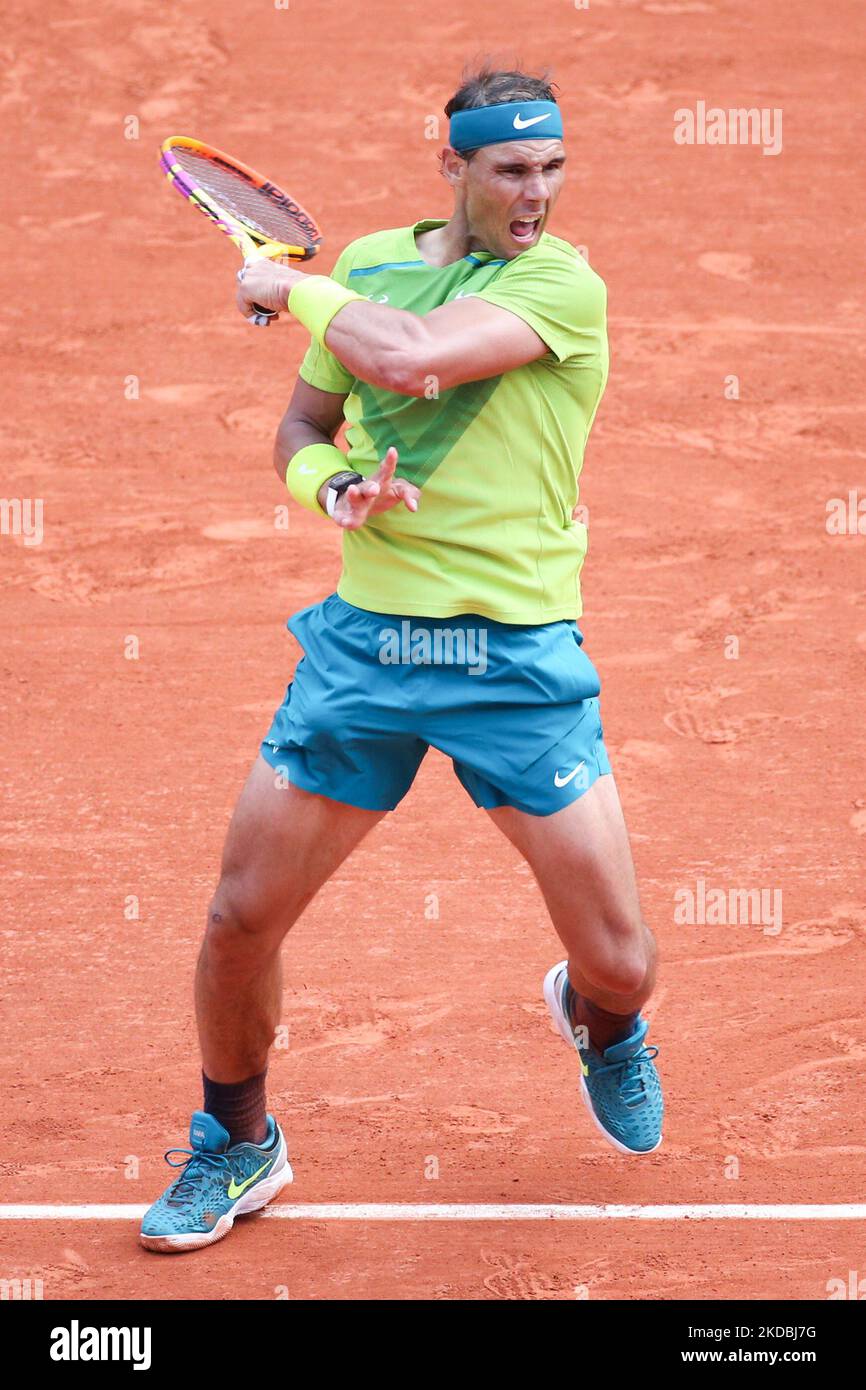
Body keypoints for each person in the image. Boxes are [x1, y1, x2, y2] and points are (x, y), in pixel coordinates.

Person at [141, 64, 662, 1254]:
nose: (535, 195)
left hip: (514, 661)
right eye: (508, 170)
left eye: (551, 167)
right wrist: (327, 488)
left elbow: (401, 355)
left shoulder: (558, 284)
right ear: (452, 166)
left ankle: (602, 1024)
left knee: (621, 961)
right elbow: (304, 424)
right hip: (367, 650)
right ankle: (237, 1140)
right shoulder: (373, 262)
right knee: (238, 919)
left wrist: (291, 289)